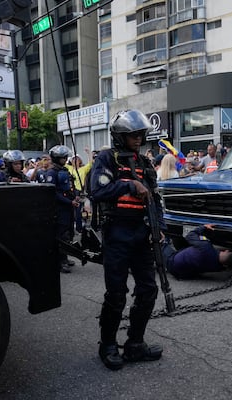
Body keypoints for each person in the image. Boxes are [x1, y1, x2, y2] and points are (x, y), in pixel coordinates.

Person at [89, 109, 164, 371]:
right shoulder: (107, 159)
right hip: (117, 234)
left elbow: (155, 198)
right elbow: (97, 191)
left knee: (148, 290)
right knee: (116, 294)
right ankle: (107, 345)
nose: (138, 137)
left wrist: (160, 227)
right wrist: (129, 185)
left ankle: (135, 344)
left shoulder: (144, 162)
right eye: (132, 134)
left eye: (140, 133)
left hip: (142, 235)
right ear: (120, 136)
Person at [161, 224, 232, 279]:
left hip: (172, 262)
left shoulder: (205, 246)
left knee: (161, 245)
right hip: (183, 274)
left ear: (226, 251)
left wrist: (203, 227)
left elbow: (190, 235)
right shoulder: (217, 268)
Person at [46, 145, 79, 273]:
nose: (65, 159)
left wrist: (75, 197)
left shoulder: (65, 170)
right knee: (61, 235)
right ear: (56, 158)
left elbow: (71, 185)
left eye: (66, 157)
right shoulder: (51, 172)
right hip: (59, 209)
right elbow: (53, 192)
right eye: (62, 157)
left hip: (69, 206)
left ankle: (65, 257)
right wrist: (69, 202)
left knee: (69, 232)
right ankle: (61, 261)